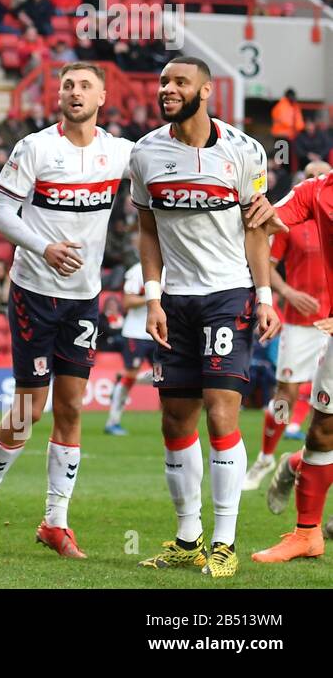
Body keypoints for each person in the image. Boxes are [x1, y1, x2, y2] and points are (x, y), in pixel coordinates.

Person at [0, 63, 136, 558]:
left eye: (85, 85)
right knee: (28, 410)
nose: (75, 92)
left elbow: (172, 166)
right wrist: (44, 248)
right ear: (58, 96)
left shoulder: (120, 152)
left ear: (103, 96)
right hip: (34, 291)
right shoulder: (35, 147)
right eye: (67, 86)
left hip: (84, 297)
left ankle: (55, 523)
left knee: (70, 408)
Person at [129, 56, 281, 578]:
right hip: (174, 301)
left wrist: (264, 295)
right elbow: (147, 230)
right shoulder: (146, 153)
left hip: (227, 294)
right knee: (175, 421)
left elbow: (257, 228)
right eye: (163, 82)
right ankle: (188, 537)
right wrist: (152, 297)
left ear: (206, 91)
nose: (167, 89)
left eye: (179, 82)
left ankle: (224, 541)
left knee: (221, 414)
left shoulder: (244, 151)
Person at [254, 165, 333, 560]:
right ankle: (272, 457)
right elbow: (263, 226)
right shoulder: (315, 195)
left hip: (326, 321)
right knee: (311, 419)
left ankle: (294, 463)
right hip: (306, 324)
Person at [105, 258, 161, 436]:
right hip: (136, 332)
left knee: (165, 375)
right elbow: (127, 302)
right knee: (131, 374)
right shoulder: (138, 270)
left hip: (159, 332)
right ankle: (112, 422)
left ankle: (122, 379)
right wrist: (152, 298)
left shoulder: (170, 268)